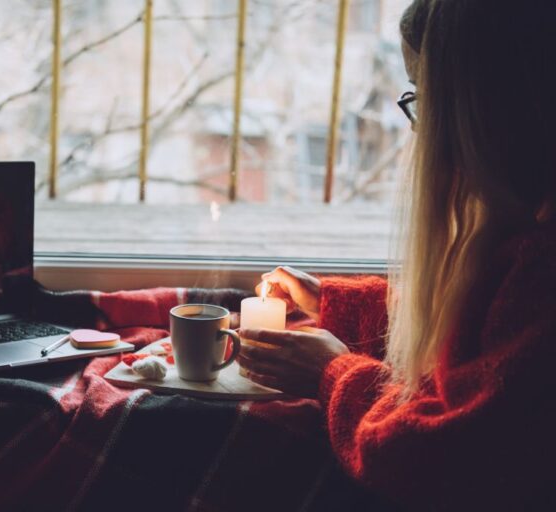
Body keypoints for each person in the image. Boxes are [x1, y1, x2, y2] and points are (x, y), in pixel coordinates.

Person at [237, 1, 556, 510]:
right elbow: (478, 334)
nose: (416, 126)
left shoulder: (541, 270)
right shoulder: (530, 236)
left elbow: (434, 454)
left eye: (426, 99)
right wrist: (333, 304)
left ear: (486, 109)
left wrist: (332, 373)